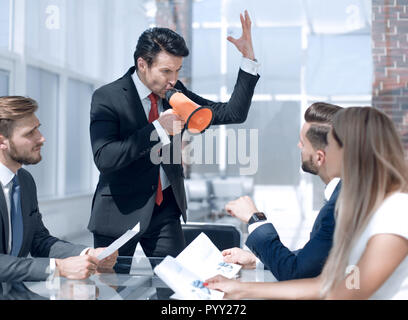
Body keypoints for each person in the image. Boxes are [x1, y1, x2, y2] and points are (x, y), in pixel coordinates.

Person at [89, 11, 260, 257]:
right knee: (110, 290)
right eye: (166, 71)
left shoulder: (175, 92)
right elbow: (105, 158)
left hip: (165, 210)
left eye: (178, 71)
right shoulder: (108, 97)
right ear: (142, 65)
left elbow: (233, 113)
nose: (173, 80)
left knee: (174, 288)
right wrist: (158, 129)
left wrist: (248, 59)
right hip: (118, 214)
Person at [206, 107, 408, 299]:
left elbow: (346, 292)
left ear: (350, 152)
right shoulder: (368, 206)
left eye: (329, 144)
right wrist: (240, 289)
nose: (323, 153)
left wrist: (244, 291)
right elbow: (325, 284)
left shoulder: (395, 210)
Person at [0, 96, 118, 282]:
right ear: (2, 142)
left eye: (38, 128)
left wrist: (88, 253)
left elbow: (38, 240)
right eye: (30, 133)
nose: (41, 138)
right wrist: (58, 267)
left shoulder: (24, 181)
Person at [222, 102, 342, 280]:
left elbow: (296, 272)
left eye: (303, 143)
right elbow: (314, 260)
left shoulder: (339, 206)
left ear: (319, 157)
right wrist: (257, 261)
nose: (298, 146)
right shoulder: (344, 194)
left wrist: (255, 219)